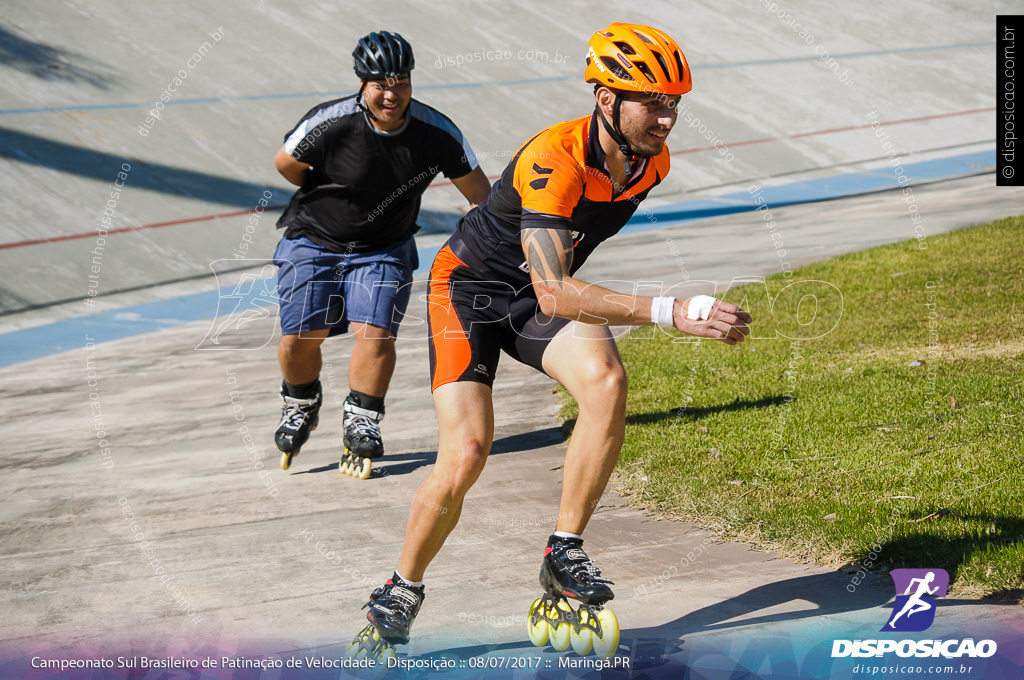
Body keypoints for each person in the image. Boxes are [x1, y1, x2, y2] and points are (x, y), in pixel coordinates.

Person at [350, 22, 752, 654]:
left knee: (606, 380)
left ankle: (563, 552)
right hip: (468, 291)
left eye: (674, 103)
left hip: (534, 292)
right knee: (468, 451)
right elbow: (557, 291)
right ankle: (401, 587)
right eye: (653, 102)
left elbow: (555, 280)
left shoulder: (652, 162)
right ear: (606, 99)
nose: (667, 119)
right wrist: (670, 310)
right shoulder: (553, 158)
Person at [271, 31, 491, 474]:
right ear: (361, 82)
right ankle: (300, 401)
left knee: (374, 333)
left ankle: (362, 419)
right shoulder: (330, 122)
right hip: (314, 239)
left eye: (401, 82)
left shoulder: (437, 133)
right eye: (380, 84)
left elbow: (481, 197)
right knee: (300, 337)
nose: (392, 94)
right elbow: (286, 164)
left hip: (384, 248)